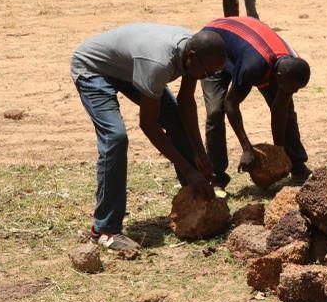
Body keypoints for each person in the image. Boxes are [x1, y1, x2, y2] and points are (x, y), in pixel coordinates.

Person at [70, 24, 227, 252]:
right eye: (207, 72)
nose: (208, 77)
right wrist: (188, 168)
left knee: (177, 122)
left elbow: (185, 105)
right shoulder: (159, 65)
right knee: (115, 138)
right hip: (92, 68)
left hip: (128, 66)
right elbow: (148, 125)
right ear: (192, 58)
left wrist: (200, 155)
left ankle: (197, 201)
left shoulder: (192, 53)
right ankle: (104, 230)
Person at [200, 16, 311, 189]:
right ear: (279, 77)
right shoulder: (253, 67)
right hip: (214, 44)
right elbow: (231, 104)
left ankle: (297, 164)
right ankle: (216, 176)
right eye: (293, 88)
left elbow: (279, 109)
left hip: (245, 47)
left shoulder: (291, 62)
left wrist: (278, 154)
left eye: (298, 88)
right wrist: (247, 148)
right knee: (215, 110)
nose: (295, 92)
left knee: (287, 109)